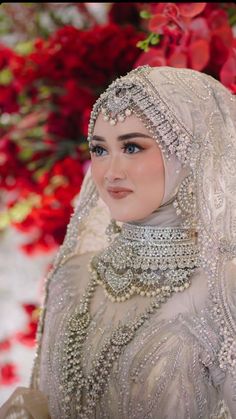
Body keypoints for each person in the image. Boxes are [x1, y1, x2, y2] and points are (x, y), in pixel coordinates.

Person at [0, 64, 236, 419]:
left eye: (132, 147)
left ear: (190, 153)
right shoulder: (72, 277)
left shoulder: (223, 289)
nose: (111, 172)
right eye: (99, 149)